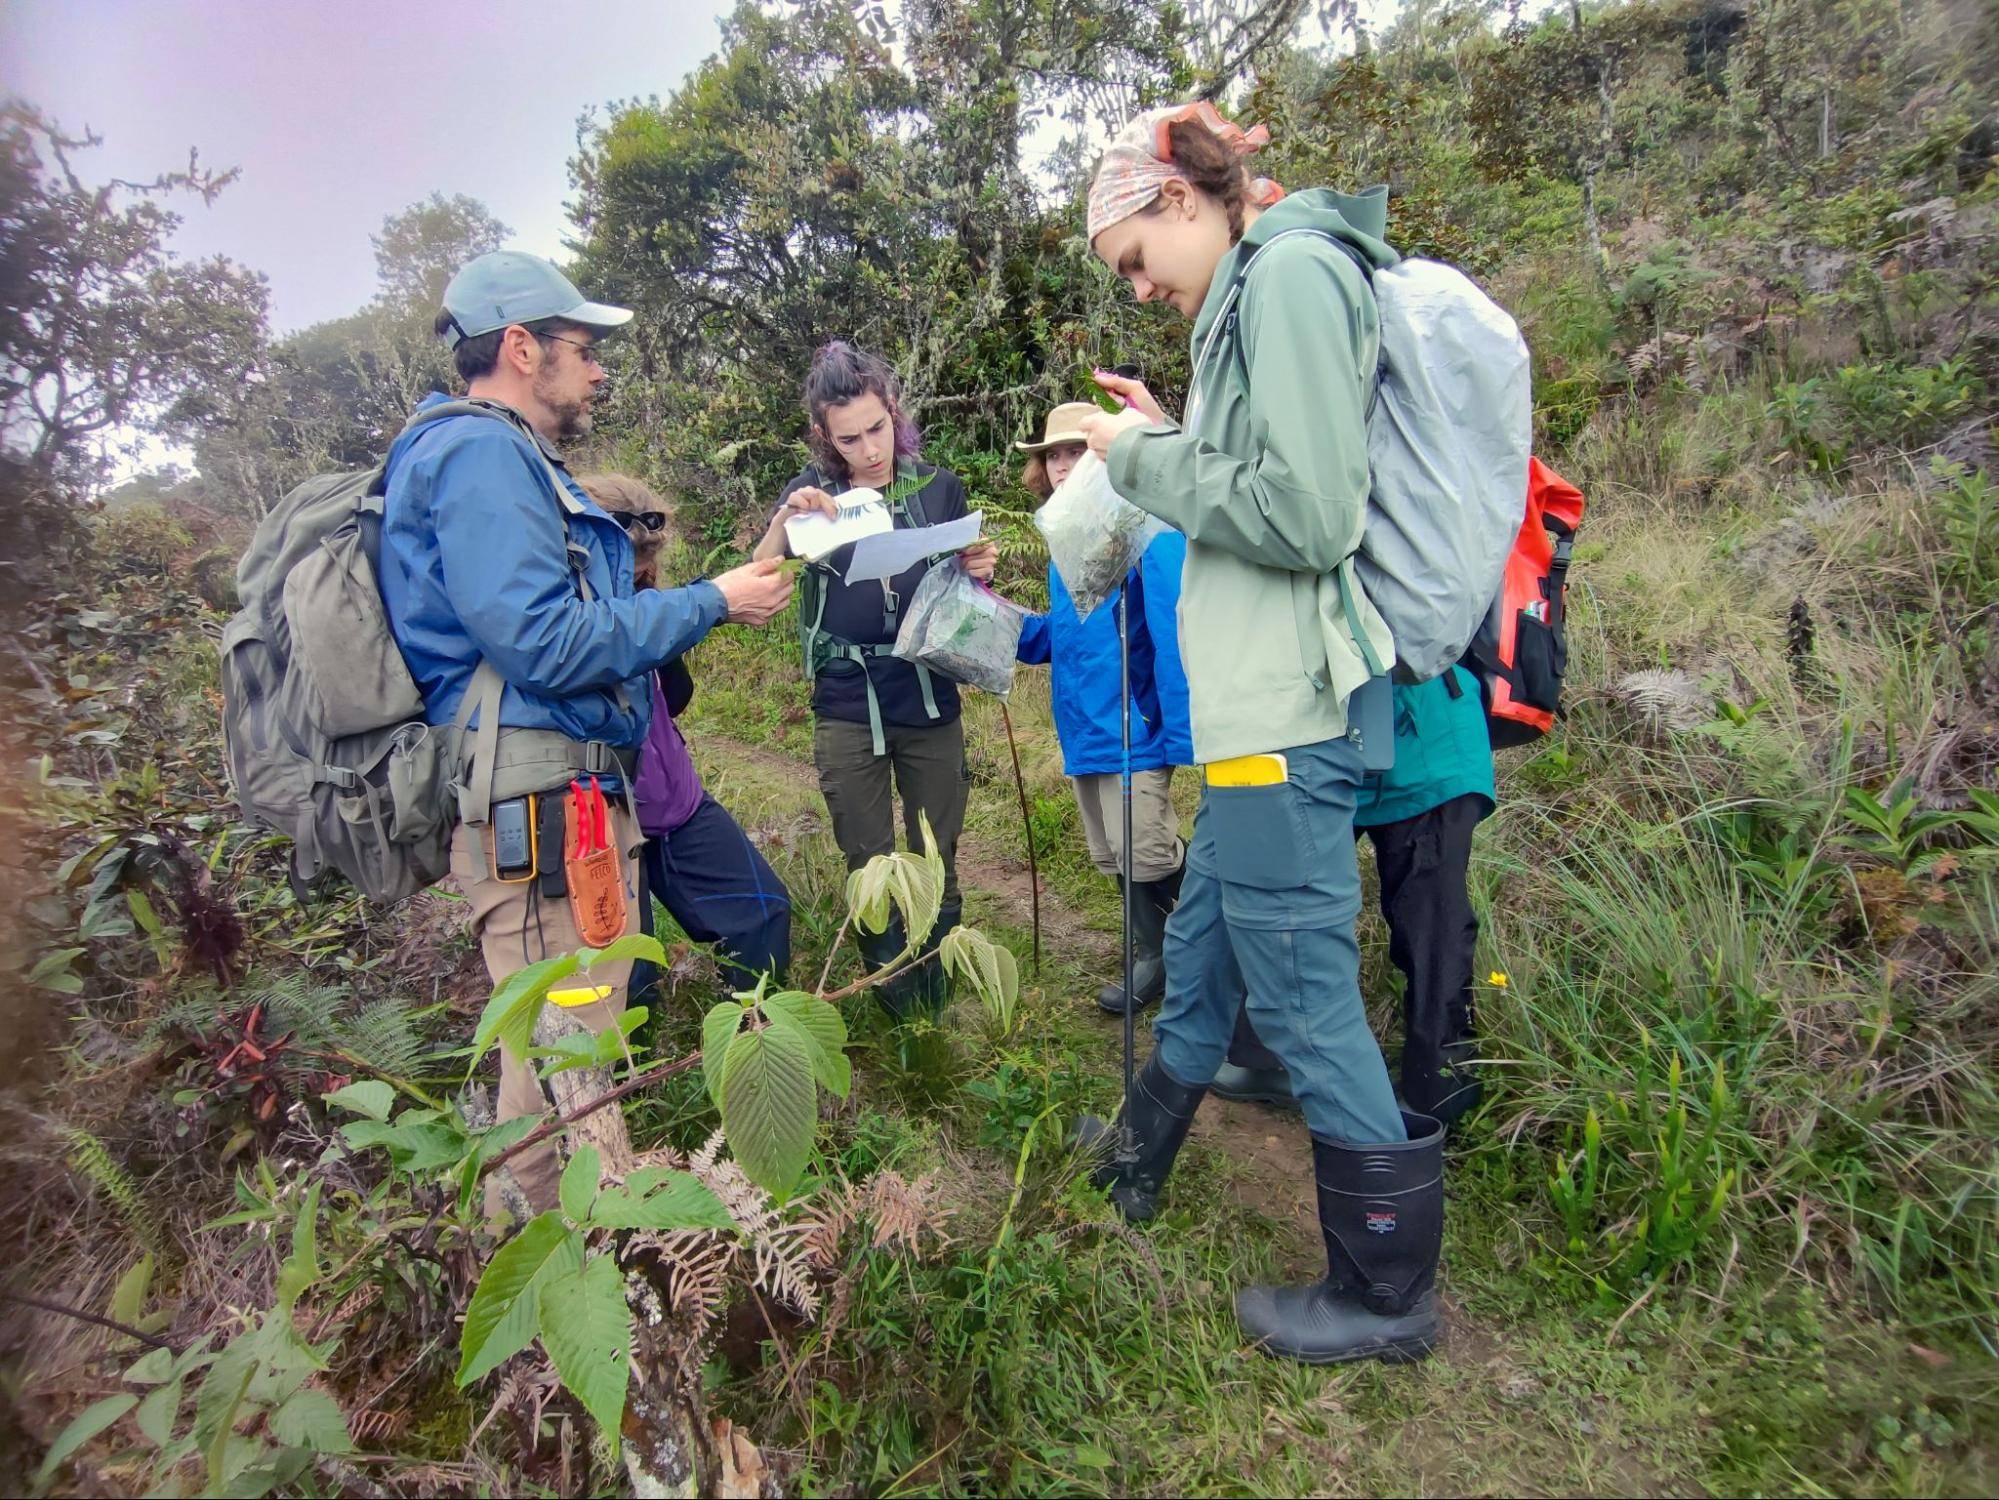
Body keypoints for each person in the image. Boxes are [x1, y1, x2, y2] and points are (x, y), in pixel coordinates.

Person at [1070, 103, 1449, 1366]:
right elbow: (1255, 478)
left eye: (1134, 258)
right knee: (1207, 948)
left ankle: (1386, 1294)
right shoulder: (1248, 289)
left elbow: (1305, 510)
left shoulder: (1286, 273)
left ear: (1180, 198)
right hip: (1254, 723)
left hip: (1287, 718)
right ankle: (1137, 1160)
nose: (1137, 288)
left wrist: (1139, 462)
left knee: (1300, 995)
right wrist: (1163, 438)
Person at [379, 250, 792, 1214]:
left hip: (557, 800)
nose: (598, 369)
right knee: (561, 1065)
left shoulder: (486, 455)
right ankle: (555, 1281)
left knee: (577, 1050)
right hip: (535, 811)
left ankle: (581, 1259)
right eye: (583, 347)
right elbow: (548, 642)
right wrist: (710, 603)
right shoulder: (481, 452)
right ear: (521, 348)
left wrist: (720, 587)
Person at [752, 342, 997, 1024]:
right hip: (845, 700)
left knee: (934, 846)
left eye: (876, 429)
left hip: (926, 692)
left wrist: (979, 567)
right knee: (866, 853)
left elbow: (960, 590)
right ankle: (887, 996)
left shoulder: (937, 486)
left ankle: (936, 978)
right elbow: (759, 573)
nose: (868, 450)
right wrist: (782, 520)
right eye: (849, 439)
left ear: (893, 412)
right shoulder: (813, 495)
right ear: (825, 440)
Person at [1213, 664, 1496, 1130]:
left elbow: (1430, 631)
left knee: (1431, 927)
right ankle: (1263, 1056)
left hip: (1428, 746)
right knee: (1282, 899)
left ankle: (1440, 1090)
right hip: (1320, 744)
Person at [575, 473, 793, 1006]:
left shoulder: (654, 612)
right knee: (627, 981)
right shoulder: (570, 628)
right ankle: (632, 1084)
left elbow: (725, 594)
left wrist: (784, 524)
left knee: (762, 914)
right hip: (602, 824)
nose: (647, 575)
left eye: (651, 562)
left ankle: (755, 1043)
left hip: (679, 809)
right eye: (633, 564)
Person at [1013, 402, 1192, 1013]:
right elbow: (1066, 637)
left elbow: (1171, 627)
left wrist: (1181, 731)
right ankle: (1157, 949)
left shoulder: (1143, 527)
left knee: (1145, 850)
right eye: (1054, 456)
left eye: (1077, 452)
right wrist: (985, 622)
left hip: (1133, 726)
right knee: (1113, 853)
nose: (1063, 467)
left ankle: (1181, 959)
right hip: (1085, 728)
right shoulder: (1066, 539)